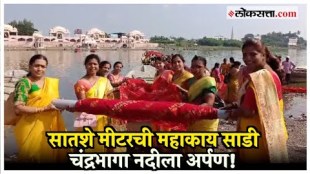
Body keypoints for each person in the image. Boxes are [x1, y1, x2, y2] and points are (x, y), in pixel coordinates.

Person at [225, 39, 288, 163]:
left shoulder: (261, 77)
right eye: (244, 55)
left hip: (258, 138)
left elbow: (248, 111)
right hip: (272, 133)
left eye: (253, 54)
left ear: (263, 55)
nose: (247, 58)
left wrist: (229, 113)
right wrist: (237, 105)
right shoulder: (270, 73)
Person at [13, 54, 67, 163]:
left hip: (51, 125)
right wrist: (43, 109)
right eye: (36, 66)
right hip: (30, 126)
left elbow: (51, 102)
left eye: (43, 66)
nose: (39, 69)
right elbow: (18, 108)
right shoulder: (25, 83)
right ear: (30, 66)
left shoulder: (51, 82)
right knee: (32, 157)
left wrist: (60, 105)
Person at [74, 54, 114, 152]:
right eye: (90, 64)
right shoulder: (81, 82)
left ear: (98, 66)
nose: (92, 66)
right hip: (86, 117)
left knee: (103, 144)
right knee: (87, 145)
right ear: (85, 65)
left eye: (95, 64)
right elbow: (83, 104)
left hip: (102, 116)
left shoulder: (105, 81)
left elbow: (110, 98)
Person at [186, 56, 219, 152]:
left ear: (205, 67)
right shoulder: (192, 81)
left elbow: (209, 103)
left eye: (199, 67)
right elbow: (193, 97)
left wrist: (192, 112)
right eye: (193, 67)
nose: (195, 69)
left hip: (205, 122)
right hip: (193, 119)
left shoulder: (208, 82)